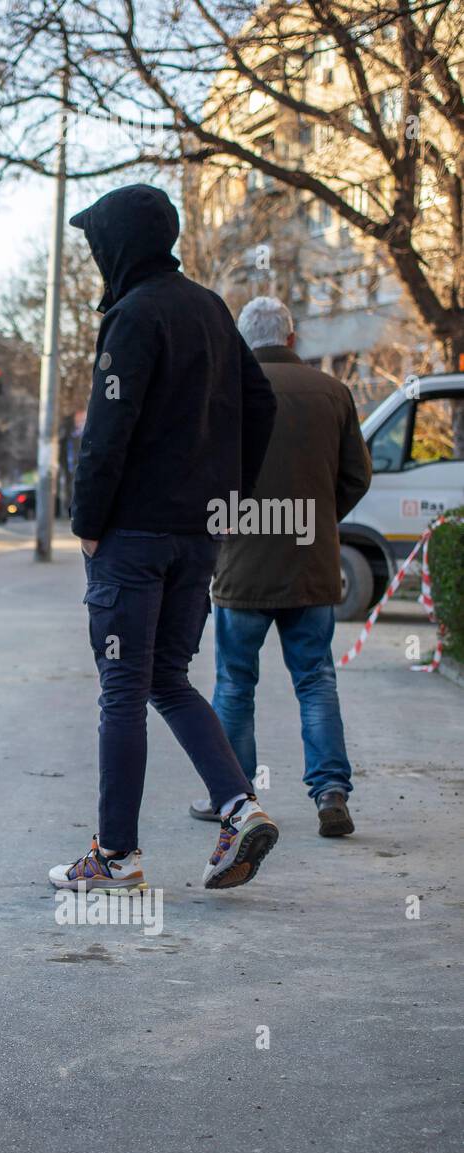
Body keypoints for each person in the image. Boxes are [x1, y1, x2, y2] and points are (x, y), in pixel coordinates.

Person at [48, 184, 280, 893]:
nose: (94, 258)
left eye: (97, 245)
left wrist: (87, 525)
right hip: (197, 536)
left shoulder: (134, 315)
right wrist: (229, 497)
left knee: (122, 690)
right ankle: (238, 806)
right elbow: (261, 401)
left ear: (119, 244)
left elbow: (107, 435)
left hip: (135, 537)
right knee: (167, 680)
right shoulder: (209, 307)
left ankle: (116, 857)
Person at [189, 297, 371, 837]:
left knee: (234, 684)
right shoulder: (333, 393)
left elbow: (200, 479)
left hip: (241, 570)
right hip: (310, 569)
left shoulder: (222, 392)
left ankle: (234, 799)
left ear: (242, 342)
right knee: (315, 680)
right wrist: (317, 522)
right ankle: (330, 792)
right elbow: (357, 477)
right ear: (292, 339)